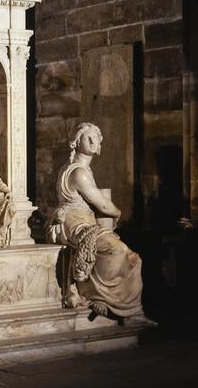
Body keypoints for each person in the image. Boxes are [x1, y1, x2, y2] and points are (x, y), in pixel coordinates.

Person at [46, 122, 144, 319]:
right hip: (75, 224)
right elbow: (104, 206)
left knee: (132, 258)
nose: (93, 141)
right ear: (76, 142)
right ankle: (99, 297)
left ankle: (126, 308)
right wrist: (117, 213)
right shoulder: (79, 173)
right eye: (87, 138)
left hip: (82, 221)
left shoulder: (82, 169)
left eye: (96, 138)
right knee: (121, 252)